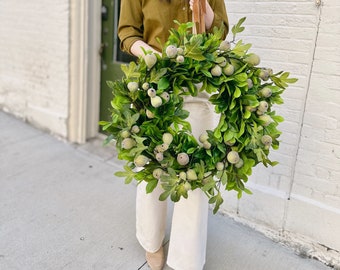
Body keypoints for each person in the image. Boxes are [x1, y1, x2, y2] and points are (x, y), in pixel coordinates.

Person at [118, 1, 229, 269]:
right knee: (153, 171)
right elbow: (127, 32)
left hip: (196, 86)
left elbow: (221, 33)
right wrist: (149, 54)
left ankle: (186, 259)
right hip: (155, 83)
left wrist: (205, 9)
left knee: (195, 173)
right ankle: (152, 241)